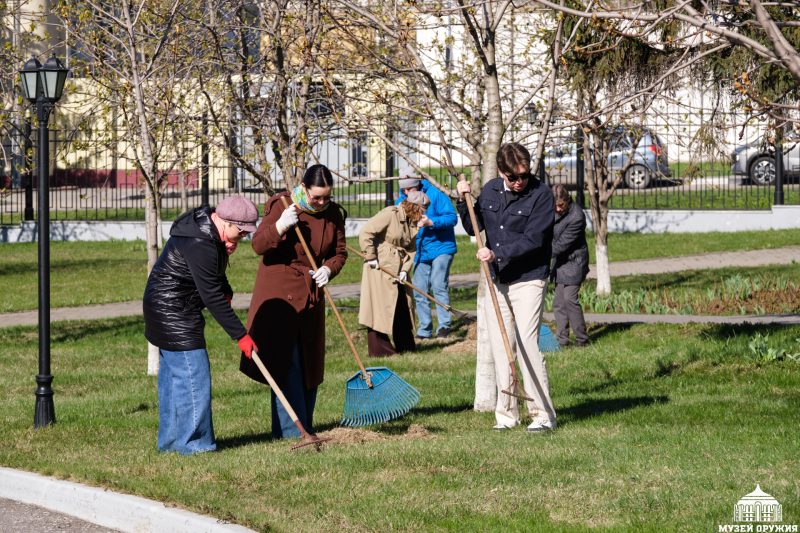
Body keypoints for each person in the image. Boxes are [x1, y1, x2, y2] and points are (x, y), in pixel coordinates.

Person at [143, 196, 260, 455]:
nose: (241, 238)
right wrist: (240, 335)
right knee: (193, 377)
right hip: (172, 311)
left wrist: (226, 285)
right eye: (241, 233)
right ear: (226, 222)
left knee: (175, 380)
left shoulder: (206, 230)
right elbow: (211, 296)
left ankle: (172, 445)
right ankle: (195, 447)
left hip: (167, 307)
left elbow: (211, 275)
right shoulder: (201, 242)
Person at [239, 165, 347, 440]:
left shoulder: (333, 214)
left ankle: (305, 427)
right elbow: (258, 245)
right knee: (288, 363)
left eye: (327, 197)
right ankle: (291, 433)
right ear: (304, 189)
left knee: (310, 366)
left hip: (311, 296)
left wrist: (329, 270)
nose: (321, 203)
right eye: (316, 197)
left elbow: (340, 253)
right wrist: (280, 225)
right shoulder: (282, 205)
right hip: (279, 296)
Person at [456, 142, 558, 432]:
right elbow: (471, 225)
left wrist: (496, 254)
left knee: (526, 346)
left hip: (529, 278)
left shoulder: (541, 195)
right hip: (496, 279)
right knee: (502, 349)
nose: (519, 182)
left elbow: (534, 240)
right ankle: (507, 416)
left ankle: (542, 415)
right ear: (501, 172)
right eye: (512, 177)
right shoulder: (489, 190)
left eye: (524, 176)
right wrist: (463, 200)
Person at [359, 190, 430, 357]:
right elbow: (366, 231)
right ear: (414, 207)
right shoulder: (390, 214)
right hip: (379, 267)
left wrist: (405, 269)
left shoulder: (413, 221)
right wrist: (370, 256)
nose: (423, 216)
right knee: (379, 308)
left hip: (398, 270)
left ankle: (406, 347)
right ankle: (381, 351)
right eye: (422, 211)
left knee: (402, 306)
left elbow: (411, 248)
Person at [395, 167, 458, 339]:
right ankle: (425, 330)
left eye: (410, 189)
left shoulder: (436, 194)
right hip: (420, 250)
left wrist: (432, 222)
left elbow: (452, 217)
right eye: (404, 190)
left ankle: (444, 326)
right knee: (420, 289)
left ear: (418, 184)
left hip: (441, 247)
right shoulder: (402, 200)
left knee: (438, 284)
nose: (407, 193)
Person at [550, 184, 590, 348]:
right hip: (561, 262)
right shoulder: (551, 210)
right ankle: (563, 341)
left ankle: (582, 340)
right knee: (559, 303)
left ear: (568, 199)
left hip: (574, 262)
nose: (558, 209)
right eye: (556, 206)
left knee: (569, 299)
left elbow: (561, 245)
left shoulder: (576, 216)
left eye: (561, 205)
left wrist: (538, 255)